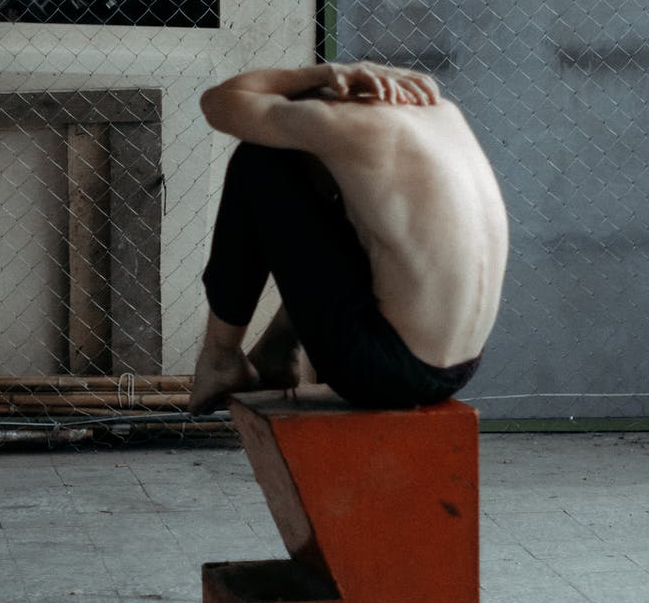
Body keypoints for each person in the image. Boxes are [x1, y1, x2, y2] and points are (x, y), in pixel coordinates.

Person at [188, 61, 508, 413]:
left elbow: (217, 102)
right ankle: (279, 350)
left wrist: (319, 74)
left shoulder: (333, 122)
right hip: (463, 364)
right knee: (361, 212)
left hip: (385, 371)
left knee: (259, 161)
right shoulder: (439, 111)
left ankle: (221, 358)